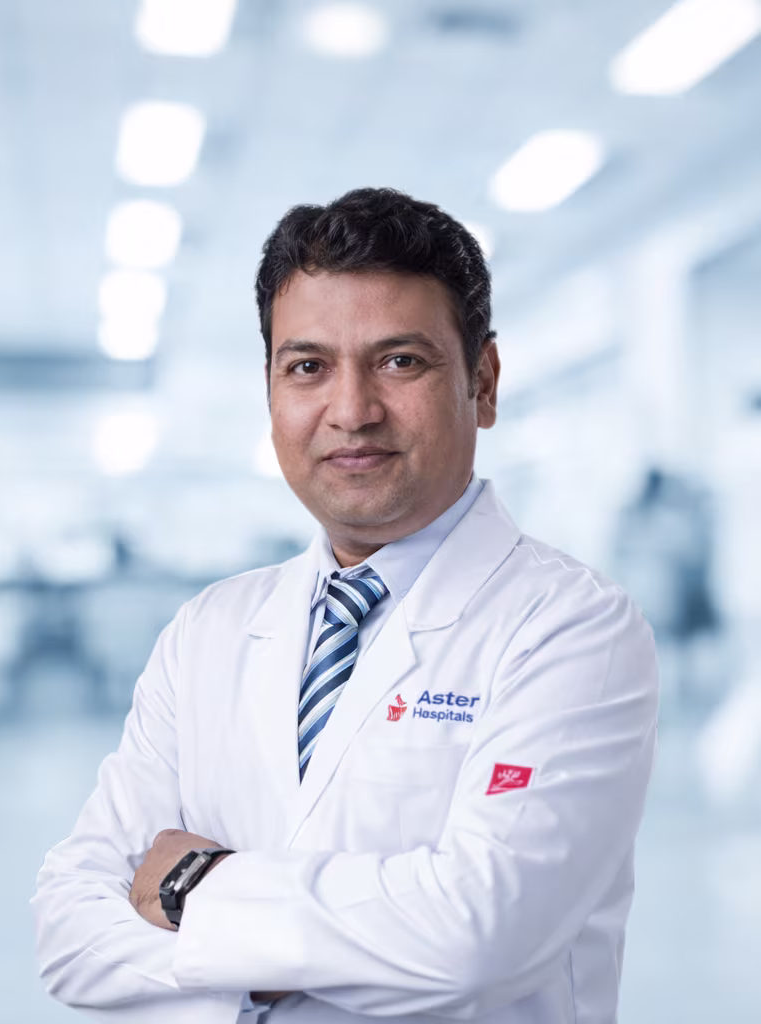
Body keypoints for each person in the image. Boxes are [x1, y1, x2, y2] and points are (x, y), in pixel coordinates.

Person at [32, 188, 659, 1024]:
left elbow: (481, 935)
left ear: (483, 382)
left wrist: (192, 888)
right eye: (308, 367)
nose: (353, 411)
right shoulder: (208, 630)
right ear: (270, 391)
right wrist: (296, 947)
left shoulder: (572, 629)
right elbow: (70, 930)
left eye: (400, 361)